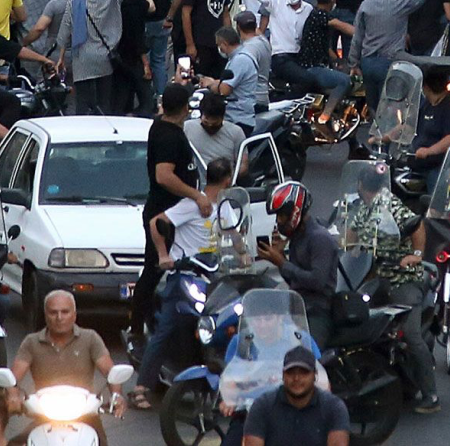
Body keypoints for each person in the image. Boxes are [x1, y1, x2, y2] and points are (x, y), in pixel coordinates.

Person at [130, 157, 233, 407]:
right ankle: (141, 387)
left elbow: (233, 234)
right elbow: (156, 223)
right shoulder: (192, 205)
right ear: (228, 180)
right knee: (167, 327)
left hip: (213, 278)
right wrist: (163, 256)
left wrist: (243, 253)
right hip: (185, 277)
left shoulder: (225, 208)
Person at [343, 165, 439, 414]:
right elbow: (350, 235)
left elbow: (417, 226)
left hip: (402, 279)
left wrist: (416, 255)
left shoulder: (391, 205)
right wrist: (343, 249)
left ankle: (431, 395)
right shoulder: (362, 209)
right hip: (375, 280)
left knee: (411, 335)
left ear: (361, 185)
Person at [128, 83, 209, 345]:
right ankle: (137, 330)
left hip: (177, 214)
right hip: (164, 215)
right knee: (154, 270)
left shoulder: (163, 126)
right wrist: (195, 195)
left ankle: (165, 320)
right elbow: (163, 176)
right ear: (185, 108)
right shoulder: (168, 137)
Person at [10, 290, 126, 434]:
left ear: (74, 315)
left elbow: (110, 372)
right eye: (53, 312)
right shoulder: (31, 342)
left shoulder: (90, 338)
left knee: (99, 442)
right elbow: (13, 378)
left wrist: (116, 395)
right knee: (15, 443)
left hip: (86, 415)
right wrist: (13, 395)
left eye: (65, 312)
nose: (59, 318)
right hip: (44, 415)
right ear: (45, 315)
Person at [258, 181, 338, 350]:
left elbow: (317, 281)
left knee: (307, 353)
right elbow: (295, 280)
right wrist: (279, 258)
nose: (279, 221)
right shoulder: (297, 237)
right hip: (297, 307)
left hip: (317, 311)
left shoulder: (319, 238)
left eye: (282, 215)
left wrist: (281, 262)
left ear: (295, 212)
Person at [348, 0, 427, 111]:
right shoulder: (403, 1)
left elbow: (357, 37)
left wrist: (354, 64)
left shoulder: (366, 3)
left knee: (373, 107)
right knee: (389, 108)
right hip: (390, 62)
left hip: (368, 62)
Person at [242, 344, 350, 446]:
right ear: (283, 375)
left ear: (315, 375)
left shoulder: (334, 407)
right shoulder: (262, 406)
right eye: (290, 372)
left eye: (304, 372)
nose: (296, 378)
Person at [411, 68, 450, 175]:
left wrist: (429, 151)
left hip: (441, 167)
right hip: (418, 162)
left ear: (426, 87)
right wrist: (387, 136)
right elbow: (411, 124)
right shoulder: (426, 105)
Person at [184, 91, 244, 168]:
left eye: (215, 124)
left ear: (222, 118)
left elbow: (243, 164)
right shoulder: (186, 127)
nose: (210, 126)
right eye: (206, 122)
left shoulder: (236, 132)